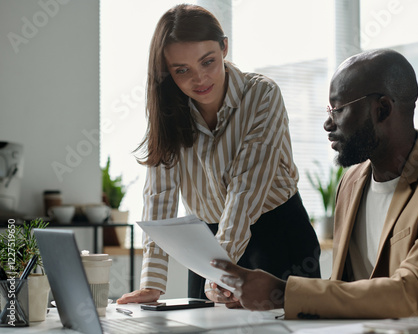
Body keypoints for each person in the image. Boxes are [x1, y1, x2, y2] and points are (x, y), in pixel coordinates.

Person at [211, 49, 418, 319]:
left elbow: (412, 295)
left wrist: (282, 293)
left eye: (339, 109)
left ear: (382, 109)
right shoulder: (352, 181)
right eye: (329, 110)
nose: (328, 123)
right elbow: (348, 286)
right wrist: (262, 297)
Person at [117, 4, 321, 305]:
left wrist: (219, 268)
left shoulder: (262, 95)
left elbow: (246, 190)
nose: (199, 79)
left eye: (208, 62)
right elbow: (160, 196)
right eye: (181, 70)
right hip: (207, 246)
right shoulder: (169, 112)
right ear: (167, 71)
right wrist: (153, 284)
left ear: (224, 47)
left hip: (277, 234)